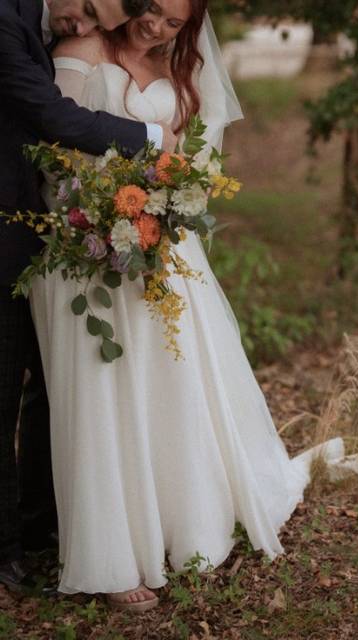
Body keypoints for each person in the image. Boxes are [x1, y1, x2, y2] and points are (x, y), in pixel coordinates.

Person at [29, 0, 346, 613]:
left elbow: (199, 165)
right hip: (85, 253)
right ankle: (114, 555)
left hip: (165, 251)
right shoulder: (80, 53)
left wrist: (167, 205)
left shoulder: (182, 74)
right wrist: (100, 215)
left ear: (187, 28)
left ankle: (183, 521)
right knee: (103, 396)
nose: (156, 27)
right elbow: (52, 149)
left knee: (172, 387)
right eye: (150, 10)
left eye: (173, 23)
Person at [0, 0, 175, 598]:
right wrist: (152, 140)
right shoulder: (7, 17)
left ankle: (46, 530)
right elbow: (51, 115)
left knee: (54, 392)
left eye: (97, 23)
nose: (85, 27)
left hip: (48, 234)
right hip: (12, 228)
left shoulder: (56, 26)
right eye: (86, 10)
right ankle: (7, 554)